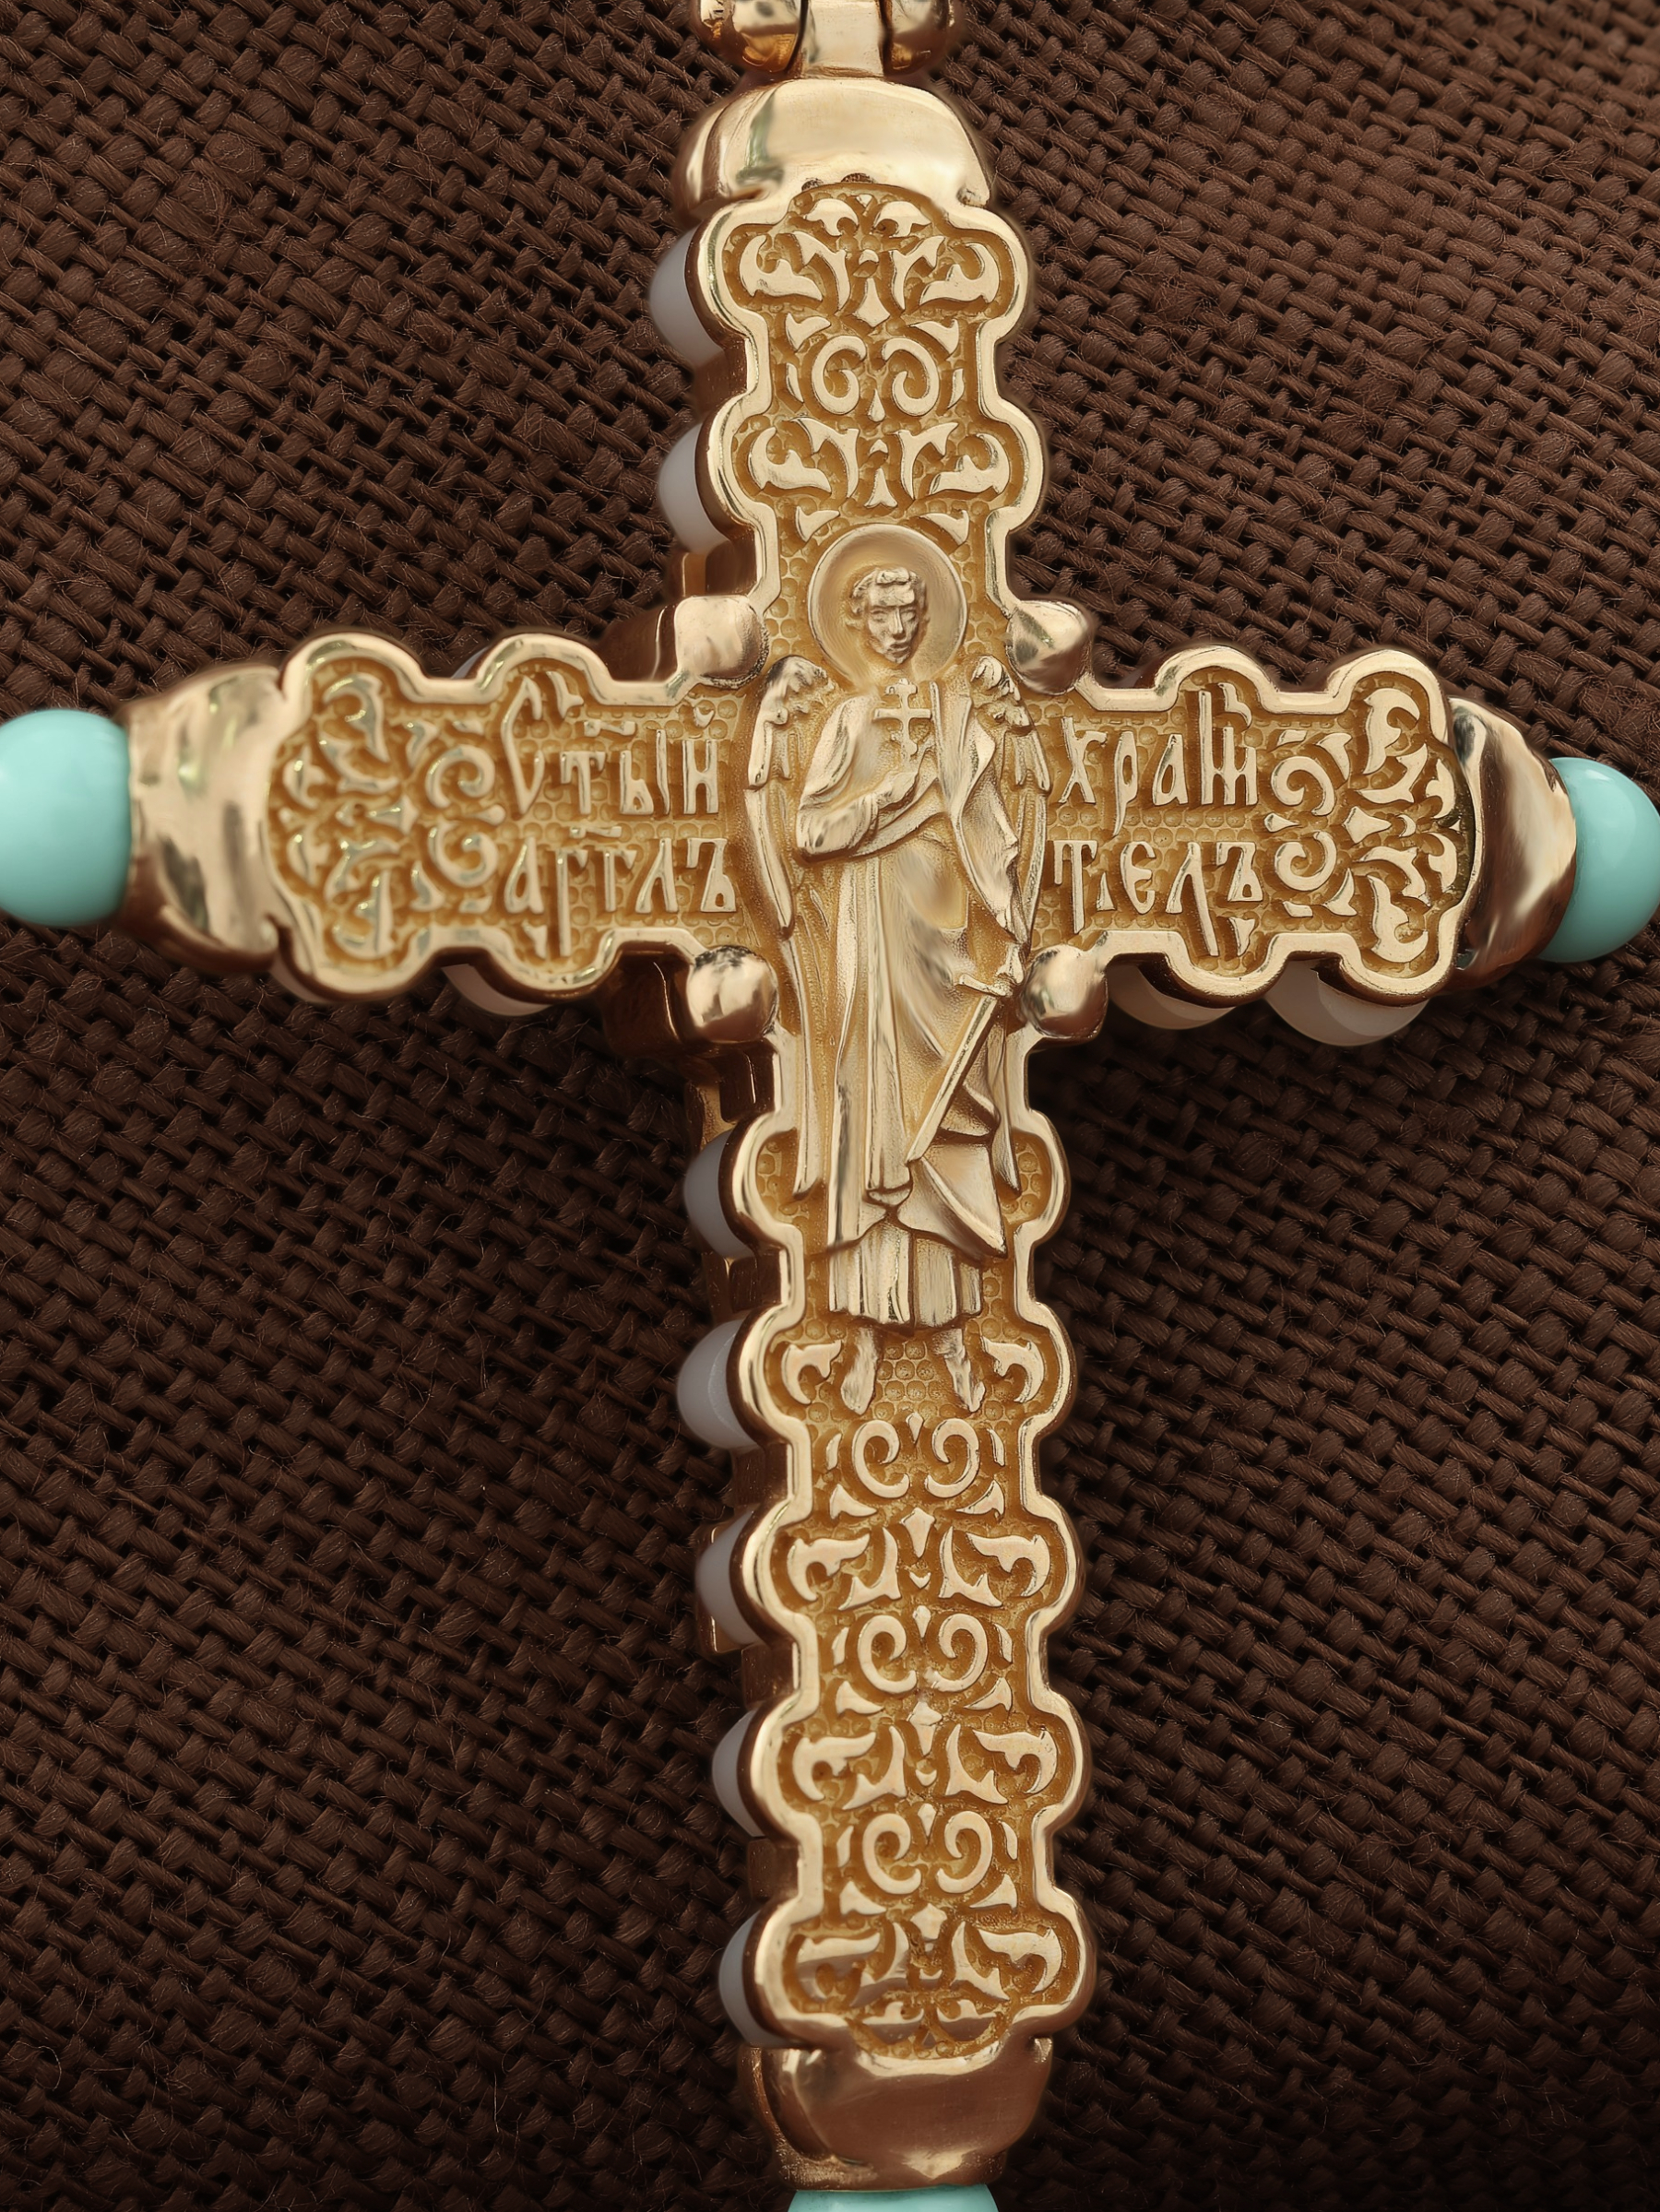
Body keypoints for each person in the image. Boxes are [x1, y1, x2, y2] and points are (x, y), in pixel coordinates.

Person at [748, 562, 1049, 1413]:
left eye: (908, 612)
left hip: (946, 948)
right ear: (858, 621)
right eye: (879, 614)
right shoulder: (847, 720)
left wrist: (1010, 932)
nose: (895, 627)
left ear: (923, 619)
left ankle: (954, 1335)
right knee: (878, 1119)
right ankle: (864, 1337)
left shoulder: (955, 717)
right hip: (873, 937)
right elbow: (809, 833)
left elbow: (991, 837)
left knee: (947, 1122)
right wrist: (884, 798)